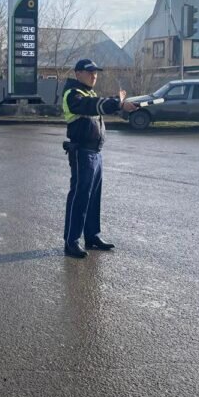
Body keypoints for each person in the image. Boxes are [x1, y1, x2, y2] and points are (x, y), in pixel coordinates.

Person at [61, 59, 138, 258]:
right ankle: (71, 242)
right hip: (82, 152)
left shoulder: (89, 92)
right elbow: (90, 106)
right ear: (78, 73)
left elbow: (97, 105)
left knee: (93, 197)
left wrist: (121, 107)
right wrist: (117, 102)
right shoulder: (73, 93)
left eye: (95, 72)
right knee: (80, 196)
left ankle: (92, 236)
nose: (94, 75)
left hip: (95, 152)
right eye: (89, 72)